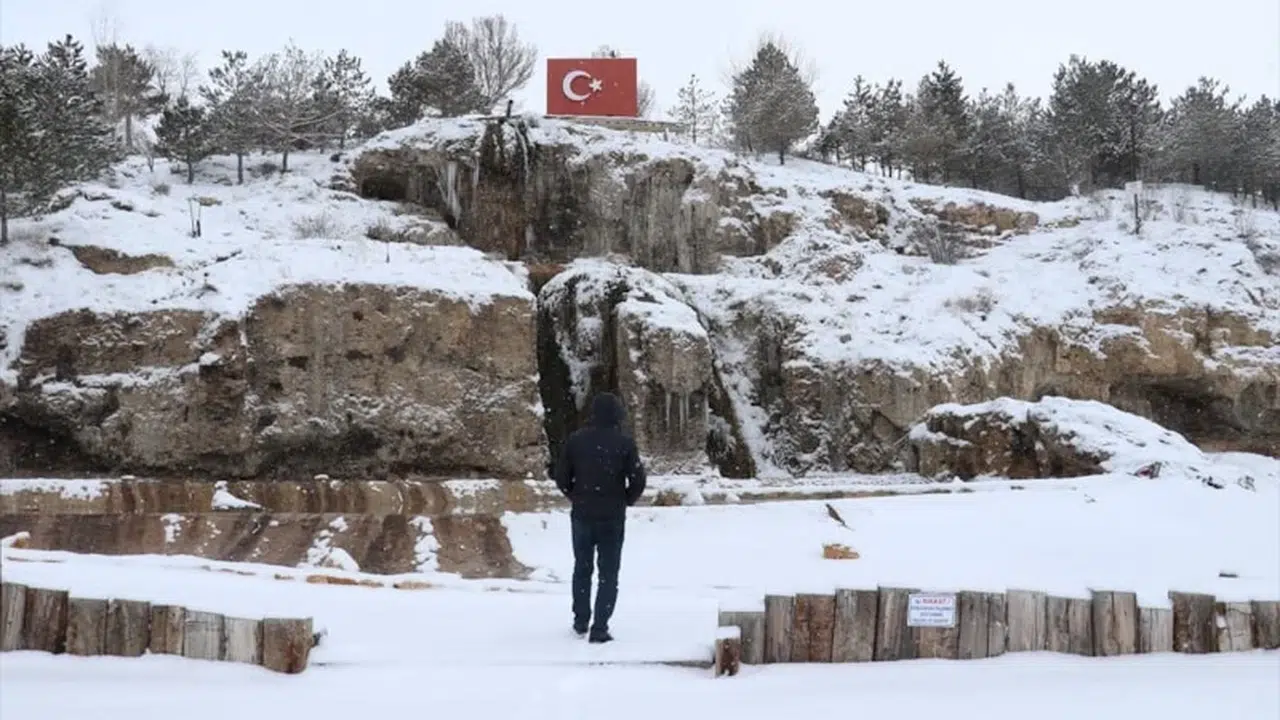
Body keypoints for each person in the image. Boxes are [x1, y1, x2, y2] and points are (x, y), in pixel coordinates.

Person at [552, 391, 647, 644]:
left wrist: (575, 495)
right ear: (617, 414)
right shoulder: (624, 443)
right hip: (612, 516)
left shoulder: (576, 441)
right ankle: (600, 627)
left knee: (582, 568)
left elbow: (561, 477)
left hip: (582, 514)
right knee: (609, 572)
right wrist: (625, 499)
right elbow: (638, 479)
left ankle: (581, 620)